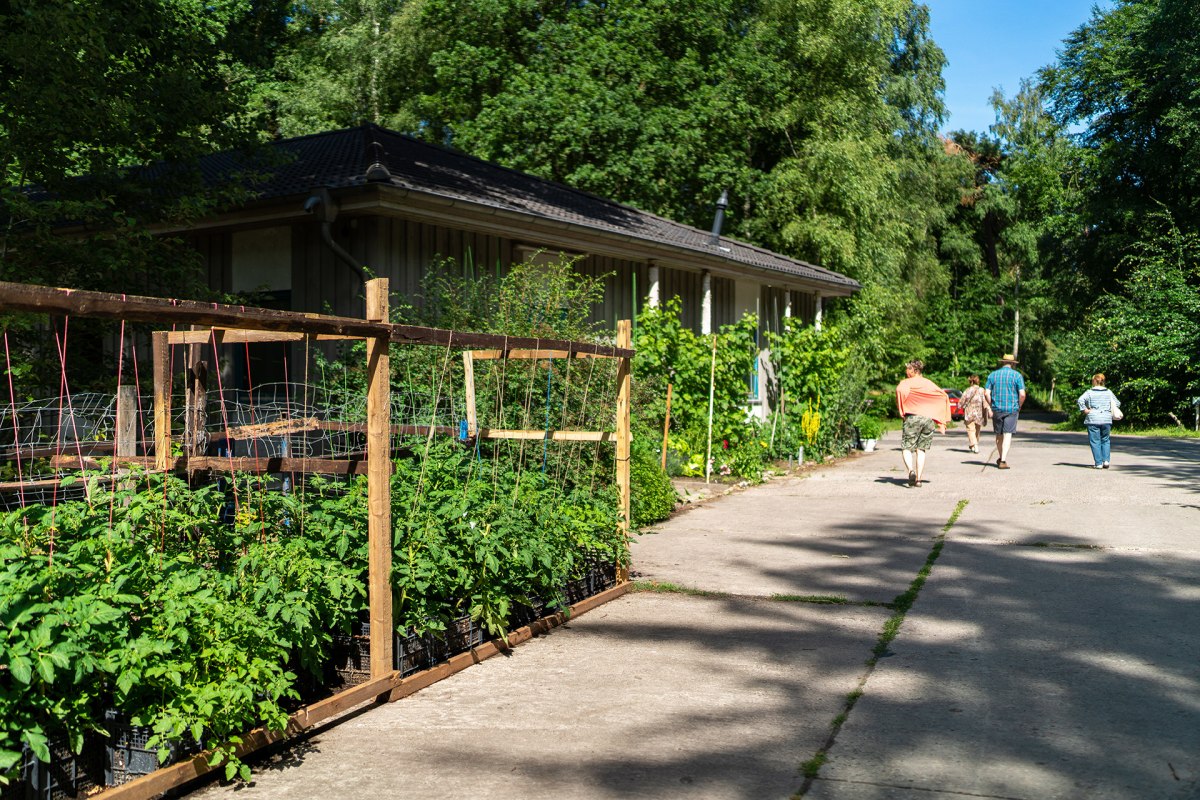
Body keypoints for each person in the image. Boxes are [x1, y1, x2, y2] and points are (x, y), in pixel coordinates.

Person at [895, 359, 951, 487]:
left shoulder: (906, 383)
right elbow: (943, 395)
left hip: (912, 418)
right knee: (921, 449)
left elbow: (900, 391)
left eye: (907, 369)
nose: (906, 371)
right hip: (928, 420)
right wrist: (939, 417)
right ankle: (919, 479)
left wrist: (902, 410)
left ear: (913, 370)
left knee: (906, 447)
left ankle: (911, 471)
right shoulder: (929, 383)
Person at [984, 353, 1026, 469]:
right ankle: (1003, 460)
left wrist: (991, 403)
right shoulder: (1017, 376)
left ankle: (1001, 457)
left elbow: (986, 392)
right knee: (1008, 434)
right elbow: (1022, 394)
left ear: (1002, 362)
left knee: (999, 435)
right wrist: (1019, 405)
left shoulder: (992, 375)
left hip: (997, 408)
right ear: (1013, 363)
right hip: (1011, 409)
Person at [1077, 373, 1121, 469]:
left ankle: (1098, 463)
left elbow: (1080, 400)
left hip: (1093, 419)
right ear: (1103, 381)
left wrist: (1085, 410)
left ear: (1094, 381)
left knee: (1095, 441)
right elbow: (1117, 403)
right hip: (1106, 419)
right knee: (1105, 440)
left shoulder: (1089, 392)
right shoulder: (1108, 392)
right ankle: (1106, 461)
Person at [958, 375, 989, 453]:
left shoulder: (968, 390)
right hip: (979, 414)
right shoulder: (982, 390)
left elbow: (962, 401)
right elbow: (985, 401)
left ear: (971, 381)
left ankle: (975, 445)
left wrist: (958, 407)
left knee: (971, 430)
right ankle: (974, 445)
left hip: (969, 413)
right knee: (977, 431)